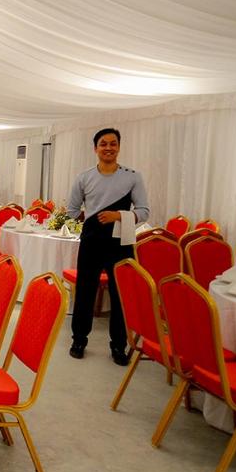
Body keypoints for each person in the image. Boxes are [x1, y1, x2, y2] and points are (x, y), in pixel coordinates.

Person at [66, 128, 149, 365]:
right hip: (92, 241)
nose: (108, 148)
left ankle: (119, 345)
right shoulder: (84, 177)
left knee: (121, 295)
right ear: (95, 148)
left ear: (119, 147)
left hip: (121, 243)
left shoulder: (133, 177)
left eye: (113, 144)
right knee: (85, 291)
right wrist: (92, 220)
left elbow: (144, 211)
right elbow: (72, 210)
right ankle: (79, 340)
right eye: (103, 144)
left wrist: (118, 216)